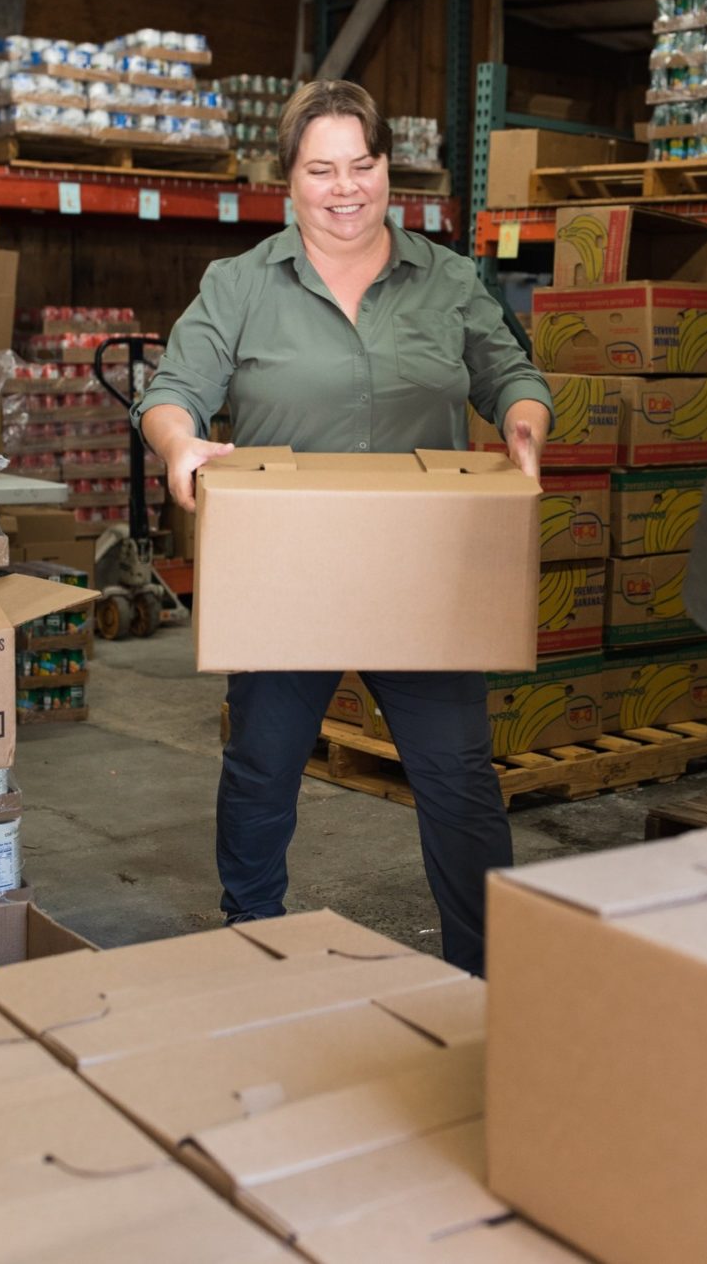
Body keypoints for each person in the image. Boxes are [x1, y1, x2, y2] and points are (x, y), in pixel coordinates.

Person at [132, 80, 552, 975]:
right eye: (321, 169)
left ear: (388, 166)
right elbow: (173, 392)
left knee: (459, 779)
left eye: (363, 164)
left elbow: (508, 370)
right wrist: (179, 447)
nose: (346, 187)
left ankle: (490, 974)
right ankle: (254, 941)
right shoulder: (239, 284)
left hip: (423, 572)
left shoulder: (445, 278)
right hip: (289, 569)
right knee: (263, 766)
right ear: (287, 180)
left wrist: (522, 418)